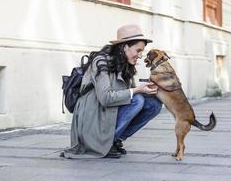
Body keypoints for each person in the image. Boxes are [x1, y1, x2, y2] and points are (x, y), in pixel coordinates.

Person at [62, 24, 162, 159]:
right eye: (138, 50)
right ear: (125, 47)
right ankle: (104, 143)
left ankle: (115, 140)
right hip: (93, 119)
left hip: (106, 113)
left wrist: (147, 89)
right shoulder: (101, 61)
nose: (140, 55)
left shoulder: (125, 64)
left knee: (153, 104)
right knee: (138, 100)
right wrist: (137, 90)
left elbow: (126, 93)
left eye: (141, 52)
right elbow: (105, 98)